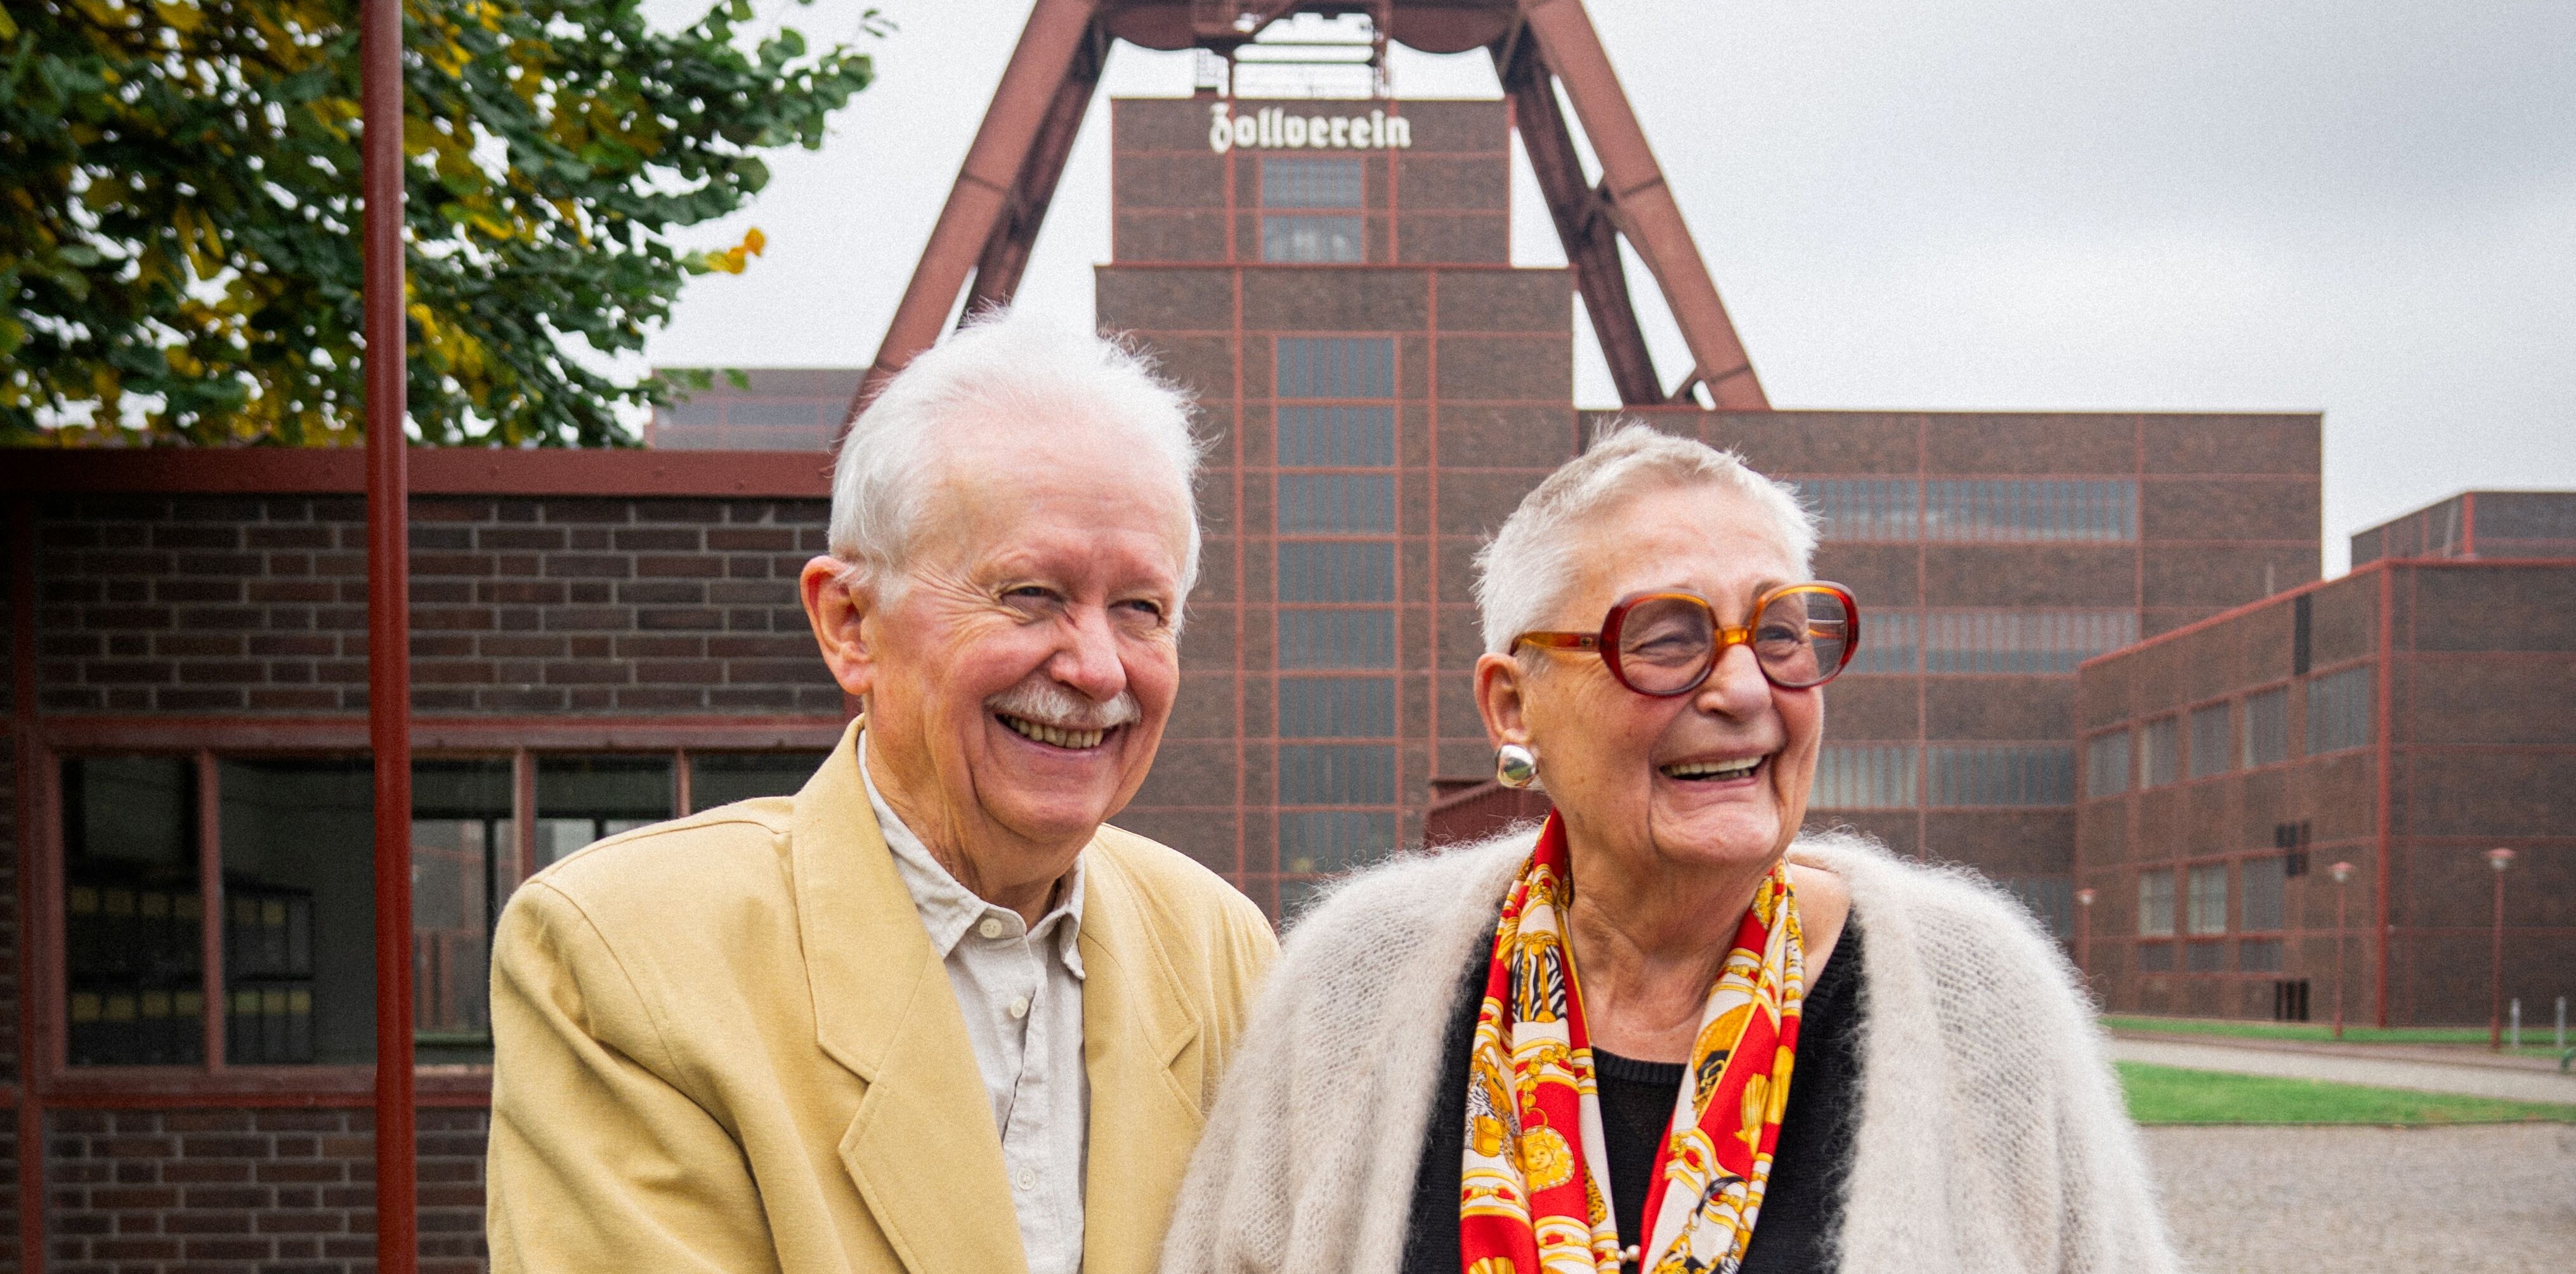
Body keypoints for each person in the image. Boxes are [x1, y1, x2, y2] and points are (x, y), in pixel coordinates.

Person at [1160, 423, 2178, 1274]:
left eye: (1781, 632)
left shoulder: (1974, 994)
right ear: (1513, 706)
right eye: (1663, 638)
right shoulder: (1359, 978)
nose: (1742, 692)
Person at [487, 312, 1278, 1273]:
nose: (1098, 667)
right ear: (849, 622)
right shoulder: (624, 951)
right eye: (1029, 594)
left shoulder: (1219, 946)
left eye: (1140, 608)